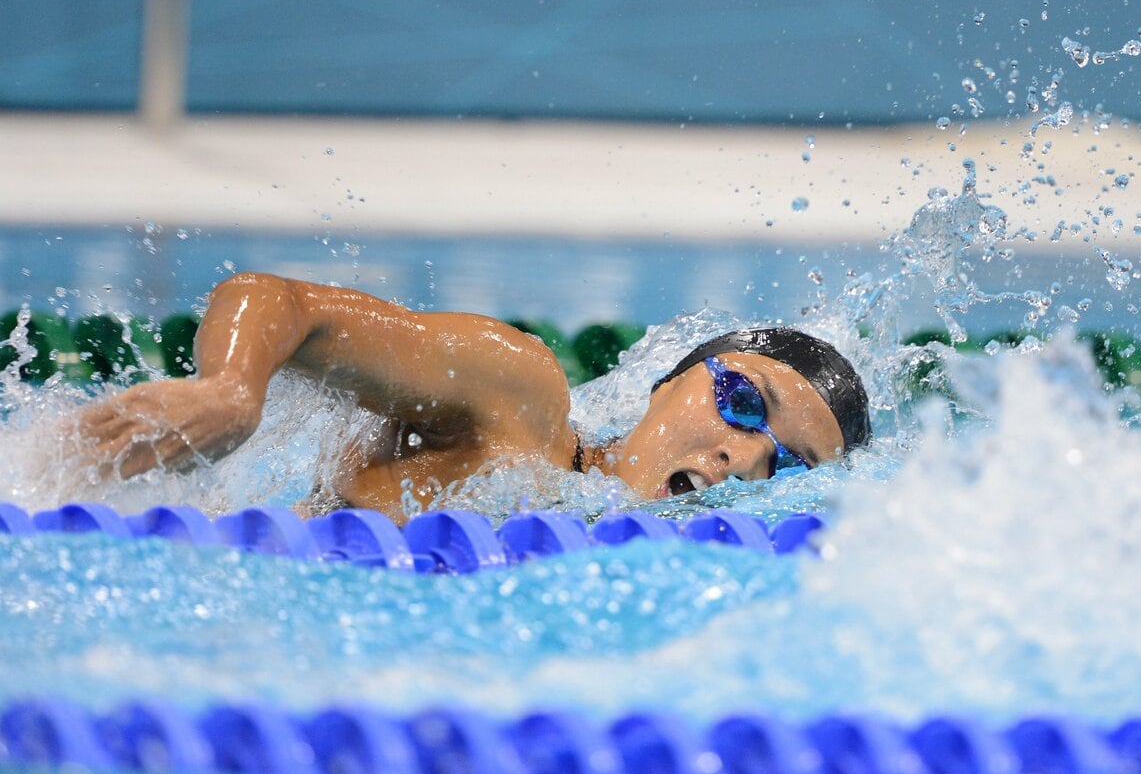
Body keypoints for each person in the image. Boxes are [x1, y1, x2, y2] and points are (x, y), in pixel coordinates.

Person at [78, 272, 870, 520]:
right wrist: (230, 390)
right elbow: (278, 301)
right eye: (742, 401)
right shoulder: (519, 401)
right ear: (669, 381)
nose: (745, 456)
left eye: (790, 468)